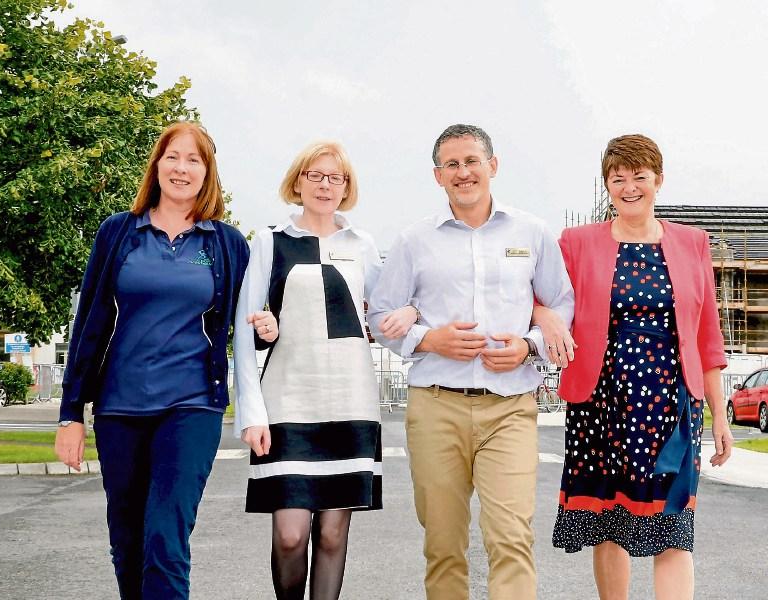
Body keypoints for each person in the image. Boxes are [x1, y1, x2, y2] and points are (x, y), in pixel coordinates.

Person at [367, 124, 575, 600]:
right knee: (443, 545)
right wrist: (429, 339)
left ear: (492, 166)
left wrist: (528, 345)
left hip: (509, 408)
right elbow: (380, 316)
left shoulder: (532, 232)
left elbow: (560, 303)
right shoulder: (413, 241)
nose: (464, 173)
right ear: (438, 176)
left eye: (472, 162)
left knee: (512, 540)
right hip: (436, 407)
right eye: (452, 165)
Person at [54, 122, 256, 599]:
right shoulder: (119, 232)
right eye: (173, 157)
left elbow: (251, 326)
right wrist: (71, 413)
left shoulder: (226, 244)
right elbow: (90, 323)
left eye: (193, 160)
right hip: (120, 407)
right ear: (157, 165)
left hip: (192, 406)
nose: (181, 168)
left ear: (208, 174)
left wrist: (267, 328)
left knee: (166, 539)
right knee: (127, 543)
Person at [541, 133, 733, 600]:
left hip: (672, 401)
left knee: (673, 524)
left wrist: (720, 415)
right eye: (618, 178)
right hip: (600, 400)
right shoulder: (576, 242)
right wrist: (543, 317)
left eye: (639, 177)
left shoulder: (692, 243)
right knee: (608, 520)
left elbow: (707, 336)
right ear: (607, 184)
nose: (629, 187)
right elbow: (542, 294)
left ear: (658, 181)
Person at [234, 140, 417, 600]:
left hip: (349, 400)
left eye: (335, 177)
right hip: (287, 403)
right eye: (315, 175)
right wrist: (250, 410)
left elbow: (386, 314)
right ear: (297, 182)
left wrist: (412, 314)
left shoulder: (363, 245)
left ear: (346, 188)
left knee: (333, 537)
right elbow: (246, 328)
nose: (325, 185)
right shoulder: (270, 241)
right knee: (291, 536)